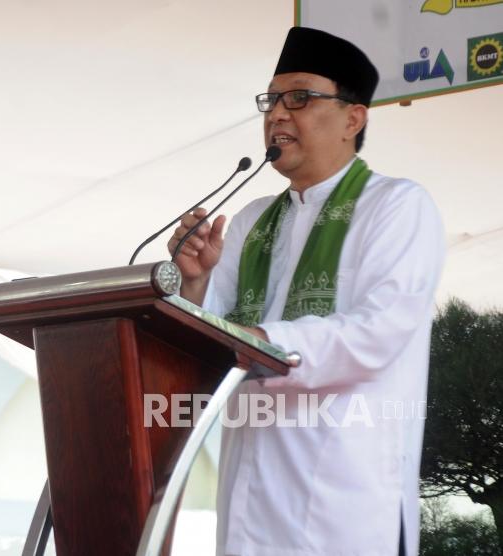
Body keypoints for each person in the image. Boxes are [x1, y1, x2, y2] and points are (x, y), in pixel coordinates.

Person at [168, 27, 445, 555]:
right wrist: (196, 281)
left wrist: (258, 341)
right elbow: (206, 338)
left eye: (299, 97)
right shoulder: (251, 221)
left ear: (353, 117)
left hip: (344, 494)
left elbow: (377, 334)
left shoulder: (396, 206)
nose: (277, 114)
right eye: (271, 101)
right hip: (250, 493)